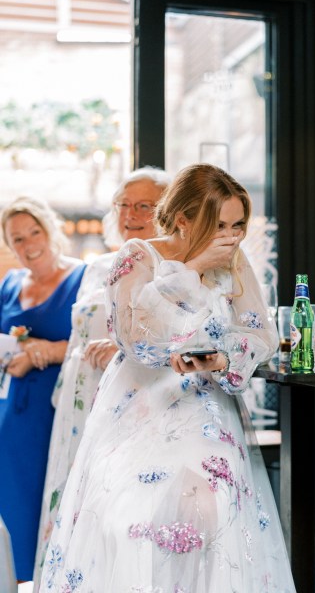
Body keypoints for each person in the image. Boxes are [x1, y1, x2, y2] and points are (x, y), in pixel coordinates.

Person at [40, 164, 296, 592]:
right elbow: (133, 335)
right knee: (130, 518)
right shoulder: (138, 256)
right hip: (140, 405)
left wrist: (219, 356)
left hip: (206, 408)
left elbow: (261, 333)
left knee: (209, 512)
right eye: (219, 225)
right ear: (183, 218)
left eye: (237, 225)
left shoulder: (234, 260)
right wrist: (193, 267)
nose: (231, 236)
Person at [33, 167, 170, 588]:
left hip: (131, 400)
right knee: (72, 494)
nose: (130, 213)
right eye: (123, 205)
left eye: (144, 205)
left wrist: (125, 350)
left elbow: (173, 337)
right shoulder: (99, 267)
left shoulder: (171, 267)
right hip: (80, 397)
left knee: (116, 507)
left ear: (167, 212)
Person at [0, 195, 86, 583]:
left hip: (57, 410)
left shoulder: (84, 278)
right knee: (11, 504)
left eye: (34, 232)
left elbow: (101, 341)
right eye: (17, 238)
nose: (28, 243)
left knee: (47, 503)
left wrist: (46, 352)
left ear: (51, 229)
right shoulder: (10, 283)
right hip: (10, 411)